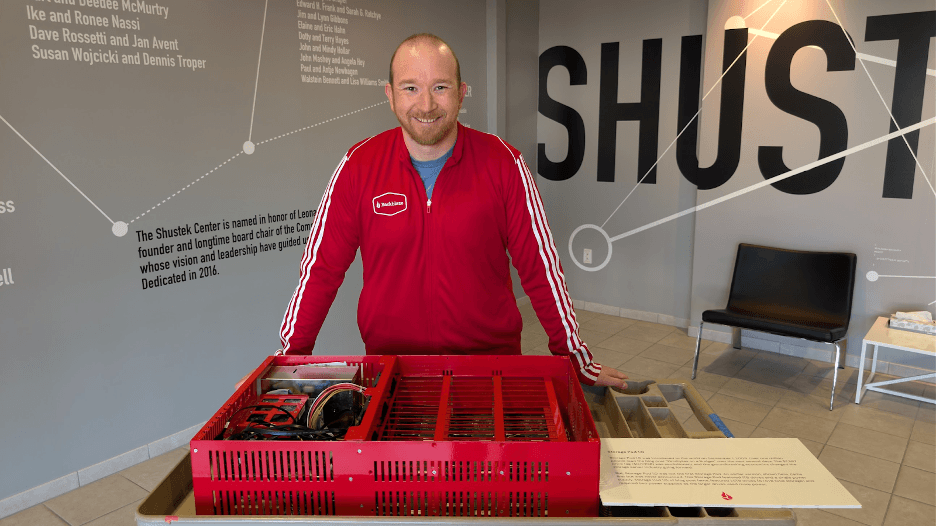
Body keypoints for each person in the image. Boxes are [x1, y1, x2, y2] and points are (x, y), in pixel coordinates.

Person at [279, 33, 630, 388]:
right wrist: (288, 362)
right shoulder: (358, 166)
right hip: (391, 374)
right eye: (411, 88)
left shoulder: (504, 164)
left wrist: (576, 359)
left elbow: (542, 269)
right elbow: (320, 272)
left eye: (441, 87)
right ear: (390, 96)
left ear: (462, 93)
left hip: (491, 371)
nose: (427, 105)